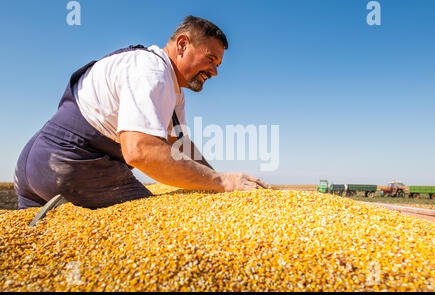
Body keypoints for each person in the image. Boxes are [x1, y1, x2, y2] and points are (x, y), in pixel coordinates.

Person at [14, 15, 268, 210]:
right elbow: (140, 151)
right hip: (71, 164)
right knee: (155, 222)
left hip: (33, 162)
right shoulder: (152, 71)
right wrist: (222, 182)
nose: (214, 71)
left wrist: (219, 181)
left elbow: (181, 147)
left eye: (218, 64)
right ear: (182, 44)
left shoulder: (172, 87)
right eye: (211, 59)